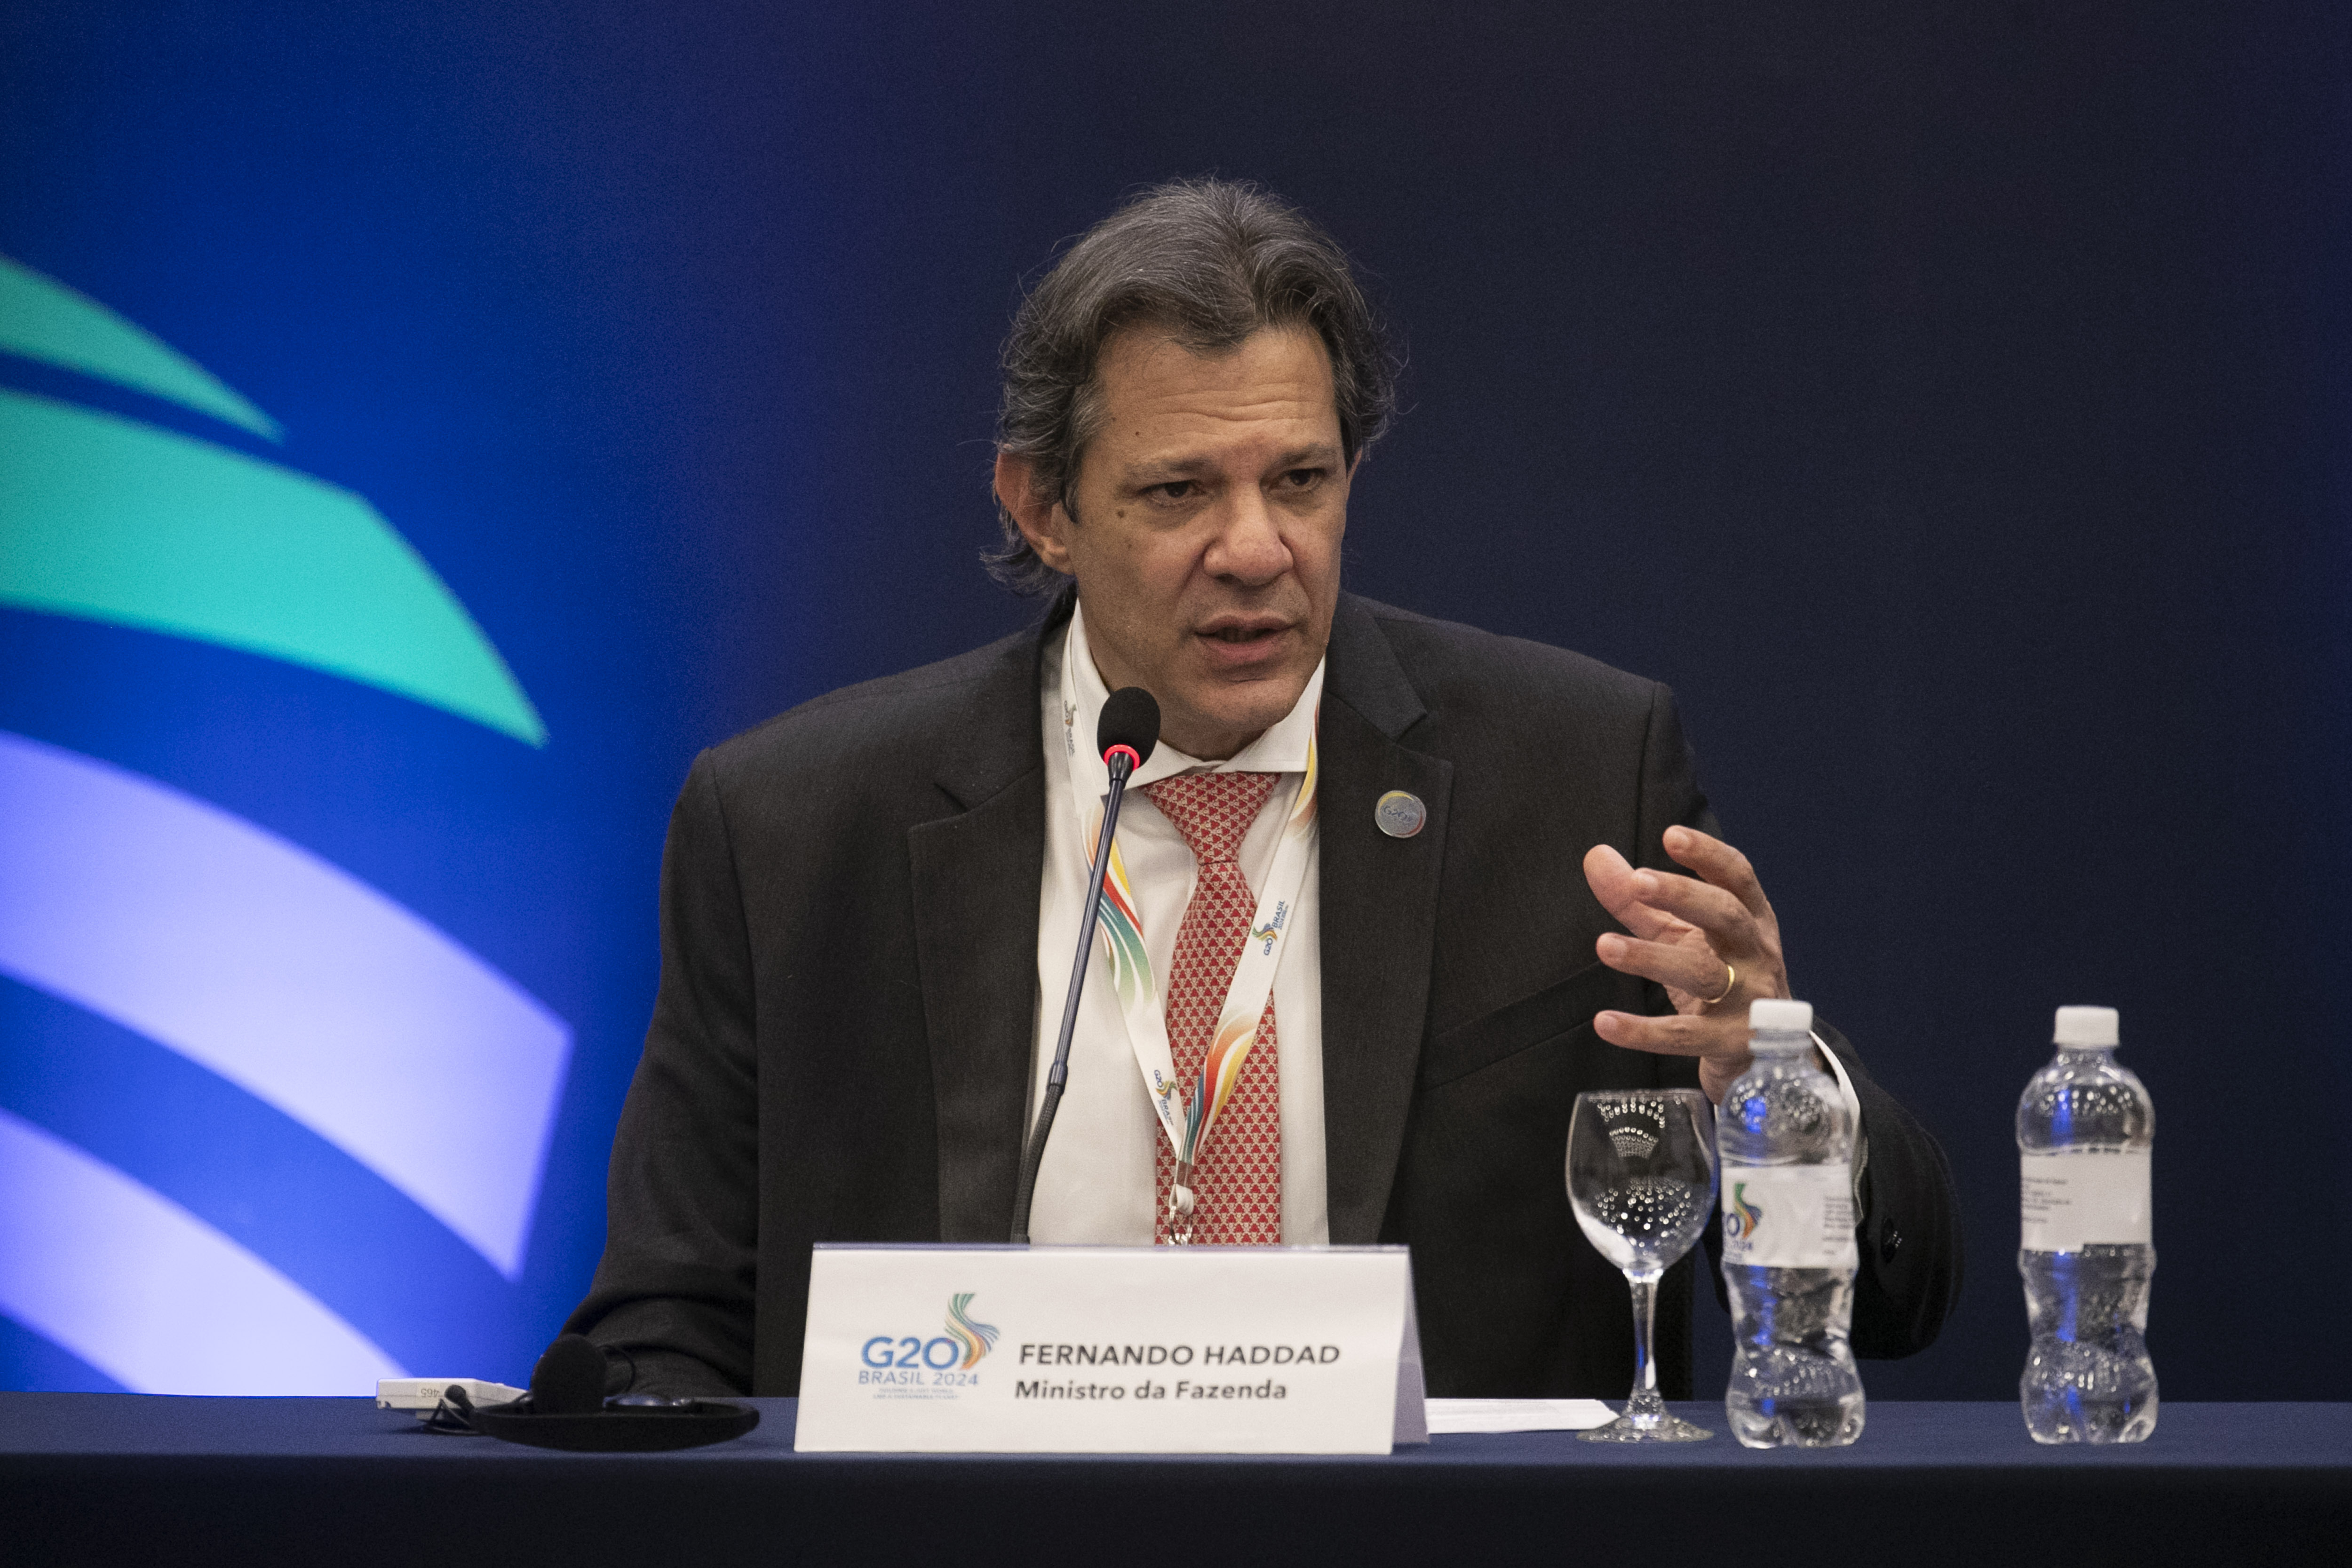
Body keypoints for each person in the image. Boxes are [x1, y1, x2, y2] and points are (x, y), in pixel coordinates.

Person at [565, 178, 1962, 1399]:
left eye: (1301, 478)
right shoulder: (802, 830)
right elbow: (667, 1329)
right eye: (1178, 494)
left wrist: (1766, 1084)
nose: (1256, 549)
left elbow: (1894, 1308)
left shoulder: (1575, 776)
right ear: (1040, 509)